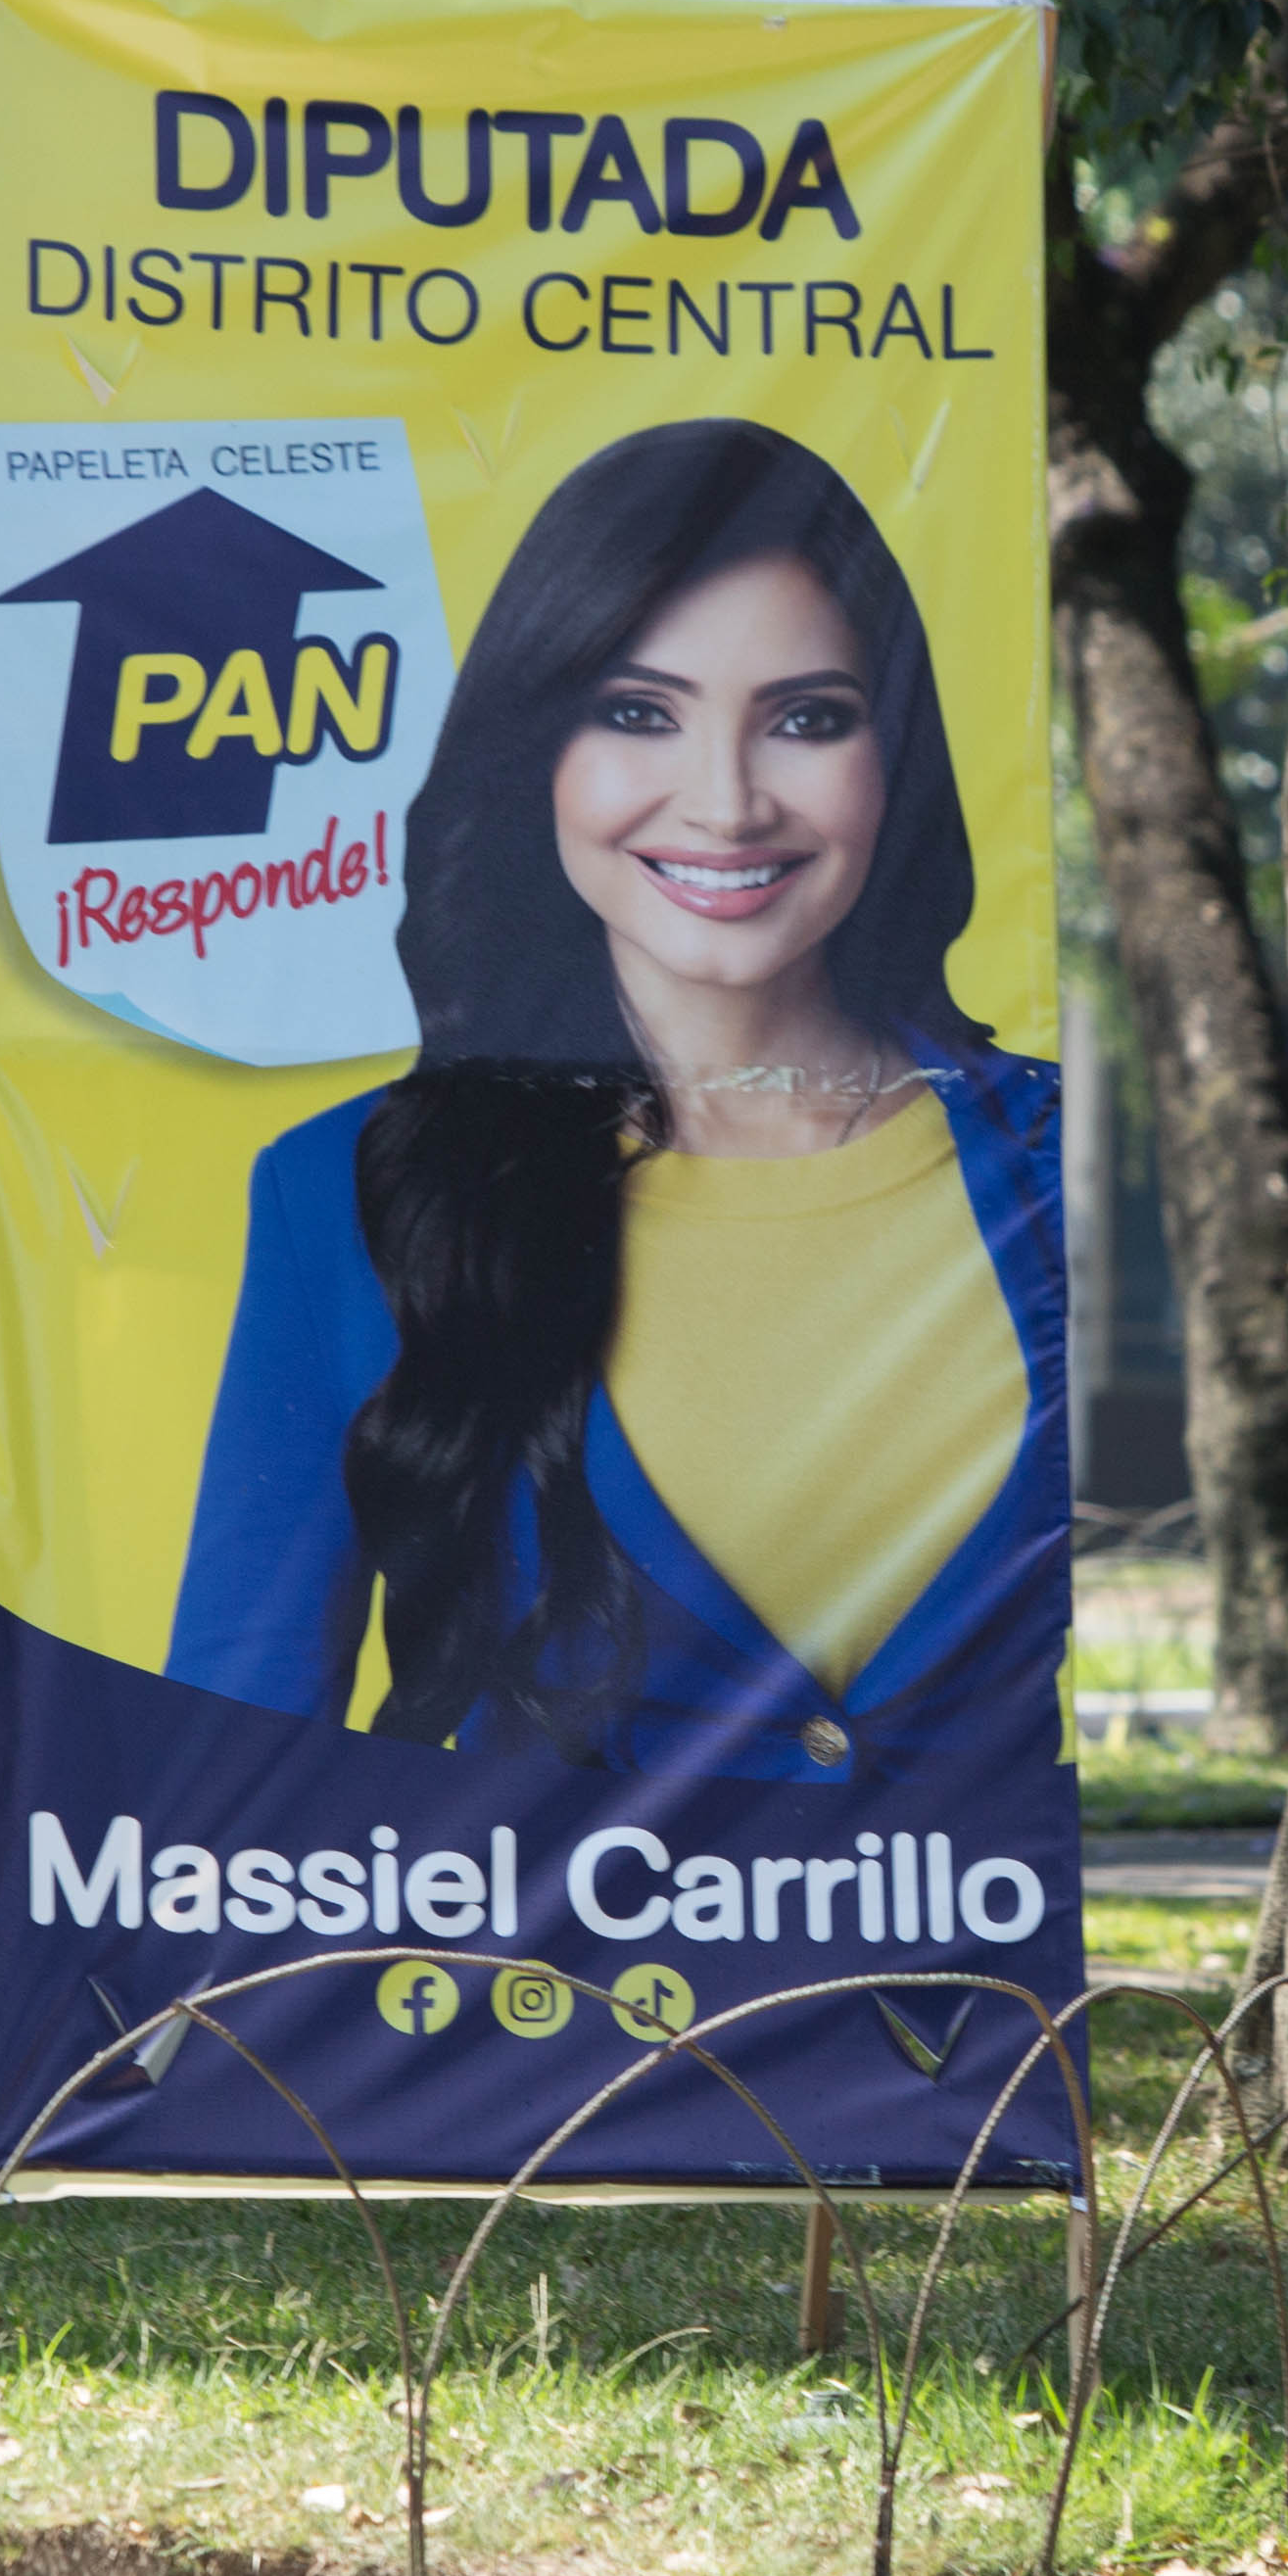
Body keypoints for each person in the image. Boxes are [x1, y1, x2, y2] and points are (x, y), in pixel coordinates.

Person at [165, 419, 1066, 1792]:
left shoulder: (1052, 1160)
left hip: (981, 2013)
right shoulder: (347, 1192)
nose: (725, 802)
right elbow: (225, 1764)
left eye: (809, 719)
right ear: (538, 753)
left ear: (898, 755)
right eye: (639, 712)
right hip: (541, 2009)